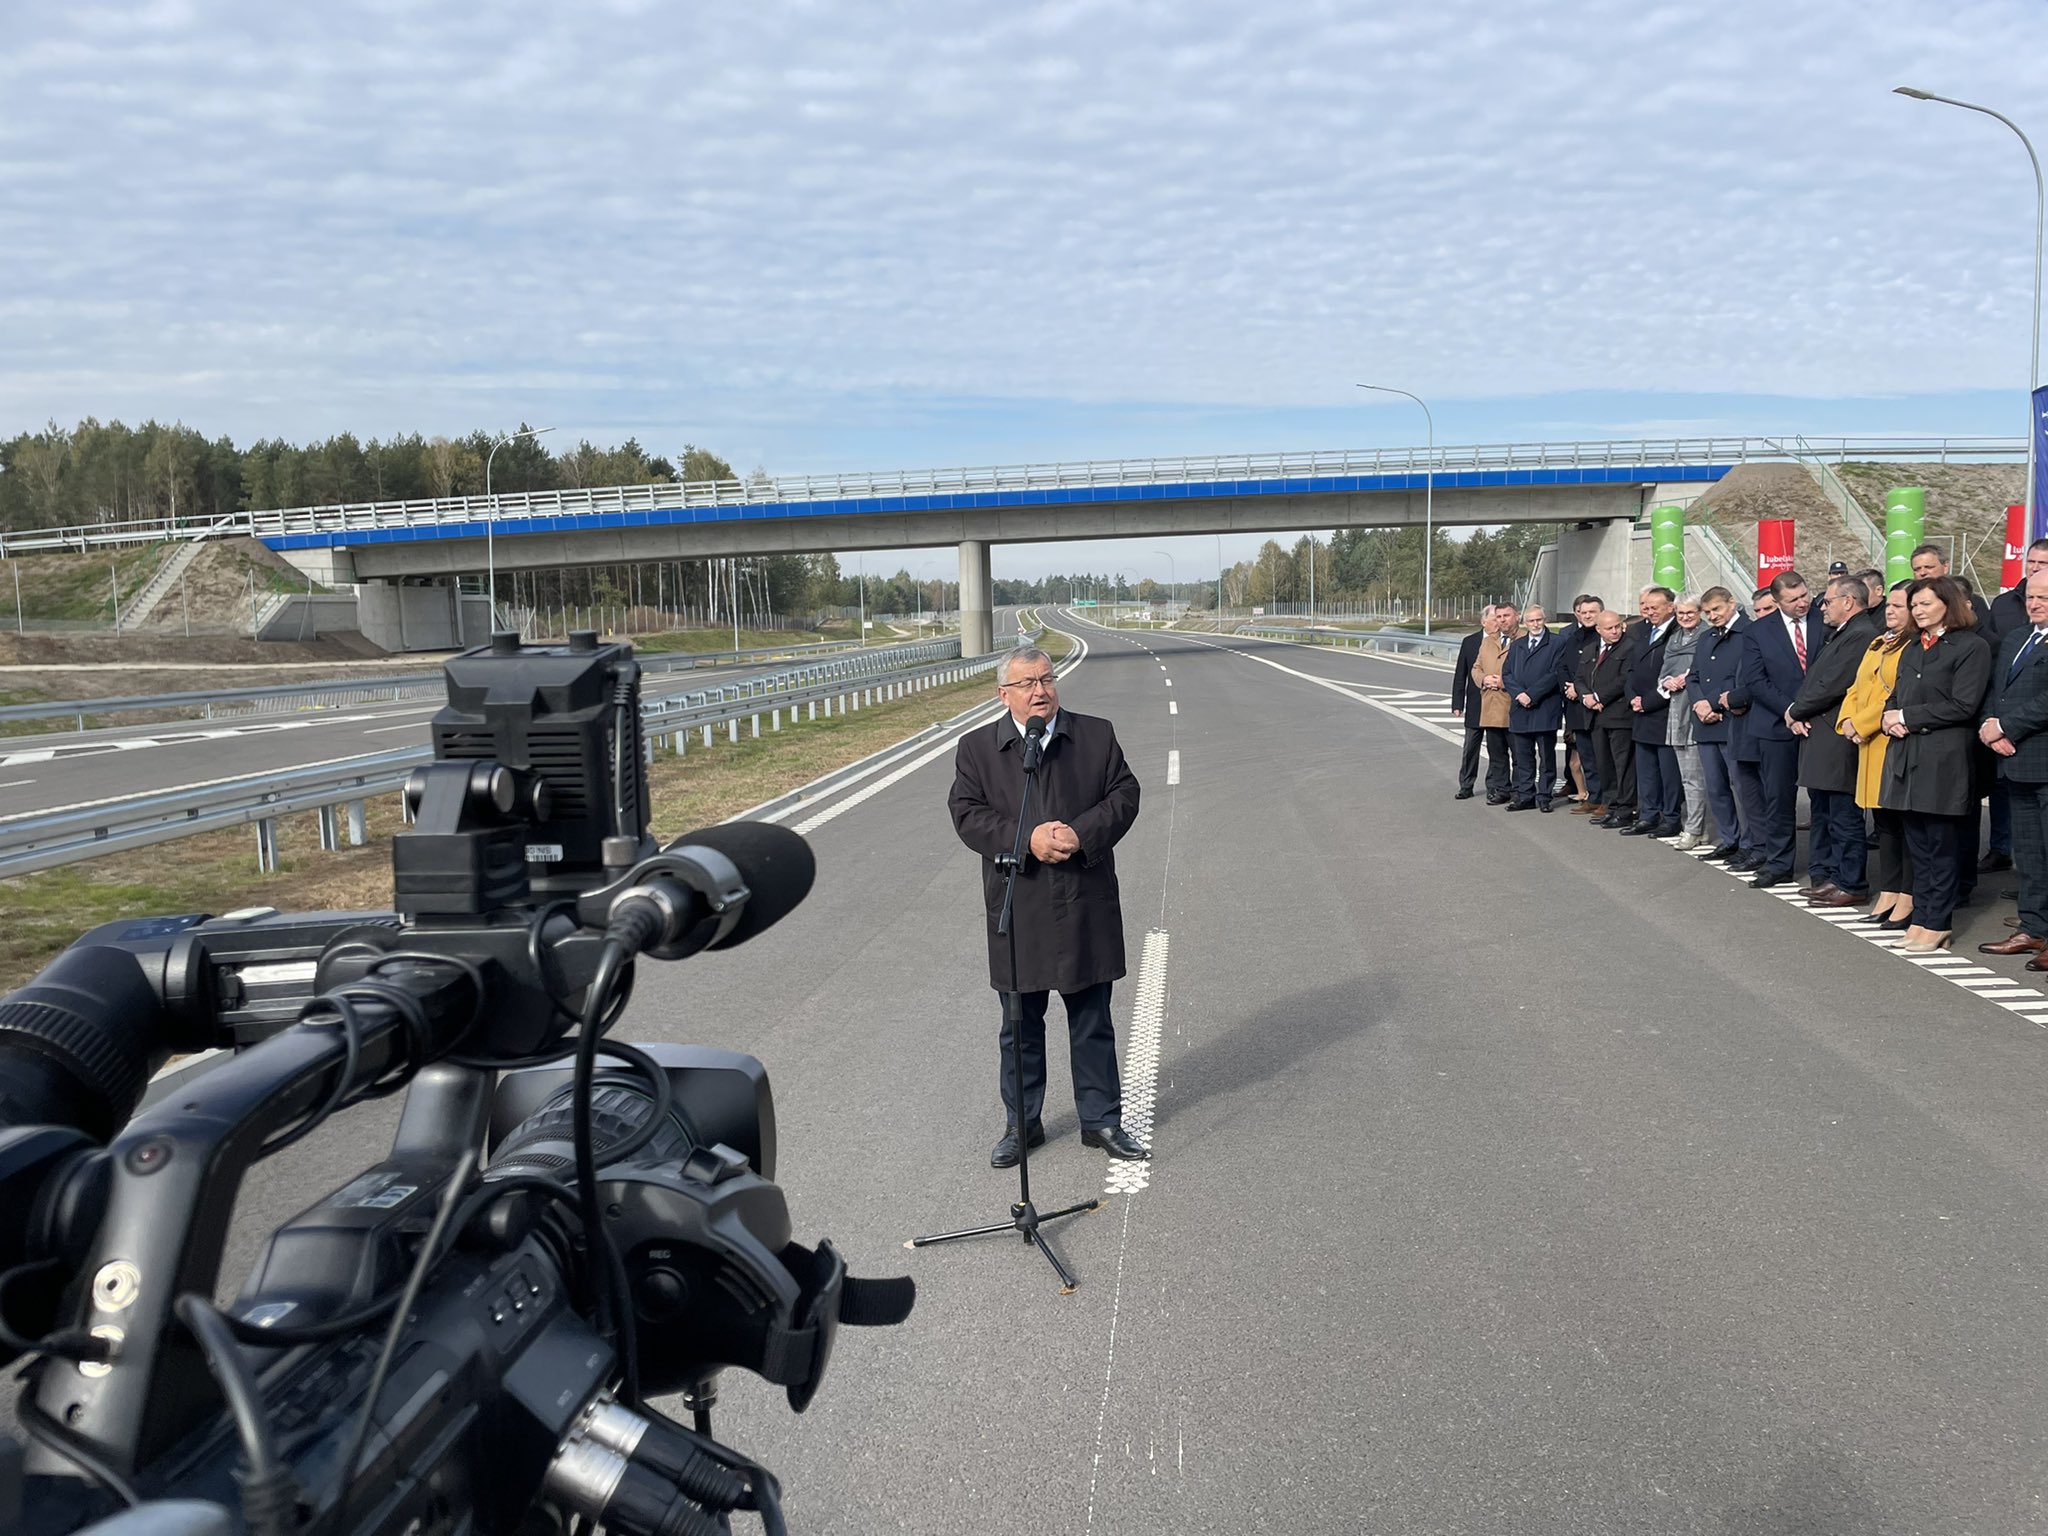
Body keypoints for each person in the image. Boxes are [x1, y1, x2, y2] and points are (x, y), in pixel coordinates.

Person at [948, 646, 1147, 1164]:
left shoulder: (1096, 736)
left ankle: (1101, 1122)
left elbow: (1124, 796)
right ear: (1004, 695)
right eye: (1027, 683)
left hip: (1084, 901)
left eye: (1047, 679)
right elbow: (967, 814)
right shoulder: (976, 750)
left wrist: (1080, 835)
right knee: (1018, 1028)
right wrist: (1026, 840)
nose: (1040, 691)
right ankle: (1022, 1124)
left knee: (1091, 1020)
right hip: (1021, 908)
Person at [1880, 577, 1993, 953]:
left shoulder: (1970, 647)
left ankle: (1938, 921)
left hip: (1944, 758)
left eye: (1925, 603)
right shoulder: (1913, 647)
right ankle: (1922, 917)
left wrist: (1907, 717)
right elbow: (1896, 694)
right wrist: (1887, 716)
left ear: (1947, 603)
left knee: (1941, 844)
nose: (1918, 610)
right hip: (1908, 756)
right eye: (1914, 605)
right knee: (1918, 844)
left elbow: (1964, 705)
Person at [1788, 575, 1884, 906]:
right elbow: (1816, 680)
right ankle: (1832, 876)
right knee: (1826, 814)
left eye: (1827, 601)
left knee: (1844, 815)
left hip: (1838, 739)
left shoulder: (1862, 635)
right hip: (1822, 736)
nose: (1823, 608)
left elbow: (1832, 684)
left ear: (1848, 602)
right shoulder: (1841, 634)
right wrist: (1798, 712)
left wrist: (1796, 710)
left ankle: (1851, 881)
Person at [1976, 571, 2048, 964]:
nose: (2034, 604)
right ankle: (2034, 929)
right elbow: (1996, 690)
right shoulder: (2018, 637)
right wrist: (1990, 726)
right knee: (2031, 855)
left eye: (2043, 598)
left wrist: (2006, 726)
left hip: (2042, 757)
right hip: (2015, 761)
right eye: (2031, 597)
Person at [1738, 569, 1825, 887]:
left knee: (1823, 799)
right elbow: (1755, 680)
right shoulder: (1758, 632)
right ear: (1777, 602)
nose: (1802, 603)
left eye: (1804, 595)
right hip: (1776, 723)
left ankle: (1822, 867)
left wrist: (1808, 709)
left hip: (1820, 721)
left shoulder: (1824, 621)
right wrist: (1789, 710)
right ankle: (1779, 864)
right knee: (1778, 798)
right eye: (1793, 600)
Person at [1840, 582, 1914, 926]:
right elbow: (1857, 686)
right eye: (1890, 605)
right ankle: (1889, 890)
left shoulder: (1912, 647)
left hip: (1889, 739)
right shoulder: (1878, 642)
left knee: (1900, 822)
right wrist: (1847, 721)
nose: (1891, 611)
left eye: (1899, 606)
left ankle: (1906, 894)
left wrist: (1863, 723)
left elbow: (1895, 695)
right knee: (1883, 824)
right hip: (1867, 741)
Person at [1692, 587, 1755, 863]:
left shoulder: (1747, 633)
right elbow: (1694, 676)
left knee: (1742, 786)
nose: (1712, 616)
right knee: (1715, 786)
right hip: (1706, 721)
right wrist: (1699, 704)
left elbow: (1743, 677)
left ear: (1732, 604)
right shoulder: (1706, 638)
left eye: (1716, 609)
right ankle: (1728, 838)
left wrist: (1715, 704)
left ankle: (1750, 841)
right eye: (1707, 612)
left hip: (1732, 719)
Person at [1620, 586, 1677, 837]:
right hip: (1640, 712)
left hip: (1663, 712)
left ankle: (1671, 817)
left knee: (1668, 773)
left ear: (1670, 607)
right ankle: (1648, 814)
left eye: (1656, 607)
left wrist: (1648, 701)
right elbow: (1632, 671)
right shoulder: (1644, 632)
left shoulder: (1677, 633)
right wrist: (1633, 698)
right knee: (1647, 771)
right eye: (1647, 607)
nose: (1650, 612)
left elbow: (1672, 675)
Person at [1580, 610, 1638, 828]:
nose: (1615, 631)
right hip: (1596, 717)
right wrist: (1586, 697)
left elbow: (1624, 679)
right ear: (1598, 629)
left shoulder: (1629, 647)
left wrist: (1598, 697)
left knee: (1623, 766)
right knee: (1605, 765)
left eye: (1617, 626)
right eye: (1609, 628)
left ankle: (1625, 809)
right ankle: (1611, 805)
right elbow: (1580, 677)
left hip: (1619, 716)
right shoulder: (1590, 650)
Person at [1504, 603, 1564, 812]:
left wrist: (1532, 694)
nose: (1535, 624)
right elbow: (1507, 673)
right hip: (1520, 707)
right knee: (1522, 757)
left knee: (1546, 757)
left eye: (1539, 619)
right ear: (1525, 622)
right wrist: (1519, 694)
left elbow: (1555, 674)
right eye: (1531, 620)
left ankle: (1544, 796)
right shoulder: (1518, 645)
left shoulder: (1556, 643)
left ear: (1545, 620)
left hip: (1545, 707)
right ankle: (1525, 795)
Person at [1660, 594, 1710, 849]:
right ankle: (1696, 827)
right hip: (1676, 711)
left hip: (1698, 712)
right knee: (1687, 777)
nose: (1685, 618)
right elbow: (1664, 672)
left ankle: (1695, 829)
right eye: (1681, 614)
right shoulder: (1674, 638)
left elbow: (1705, 670)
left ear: (1700, 612)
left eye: (1690, 613)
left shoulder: (1707, 637)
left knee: (1699, 779)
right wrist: (1666, 681)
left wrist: (1688, 677)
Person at [1451, 606, 1504, 801]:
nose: (1498, 623)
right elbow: (1460, 674)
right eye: (1494, 619)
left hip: (1497, 703)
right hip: (1475, 703)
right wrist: (1458, 703)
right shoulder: (1470, 642)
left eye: (1500, 619)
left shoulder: (1504, 642)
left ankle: (1493, 786)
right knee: (1471, 746)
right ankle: (1466, 785)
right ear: (1484, 622)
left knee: (1495, 747)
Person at [1559, 593, 1606, 807]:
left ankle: (1607, 799)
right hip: (1576, 708)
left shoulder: (1605, 637)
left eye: (1592, 612)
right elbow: (1562, 667)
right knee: (1586, 756)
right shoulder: (1573, 637)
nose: (1587, 616)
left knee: (1602, 757)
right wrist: (1568, 687)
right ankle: (1594, 797)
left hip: (1598, 706)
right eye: (1584, 612)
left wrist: (1580, 690)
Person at [1470, 603, 1517, 805]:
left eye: (1507, 615)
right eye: (1499, 616)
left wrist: (1503, 682)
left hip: (1514, 706)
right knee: (1496, 754)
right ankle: (1502, 789)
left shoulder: (1523, 640)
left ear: (1516, 616)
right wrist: (1483, 679)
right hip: (1490, 706)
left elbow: (1529, 671)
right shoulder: (1488, 642)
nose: (1502, 620)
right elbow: (1476, 668)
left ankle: (1520, 790)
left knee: (1520, 754)